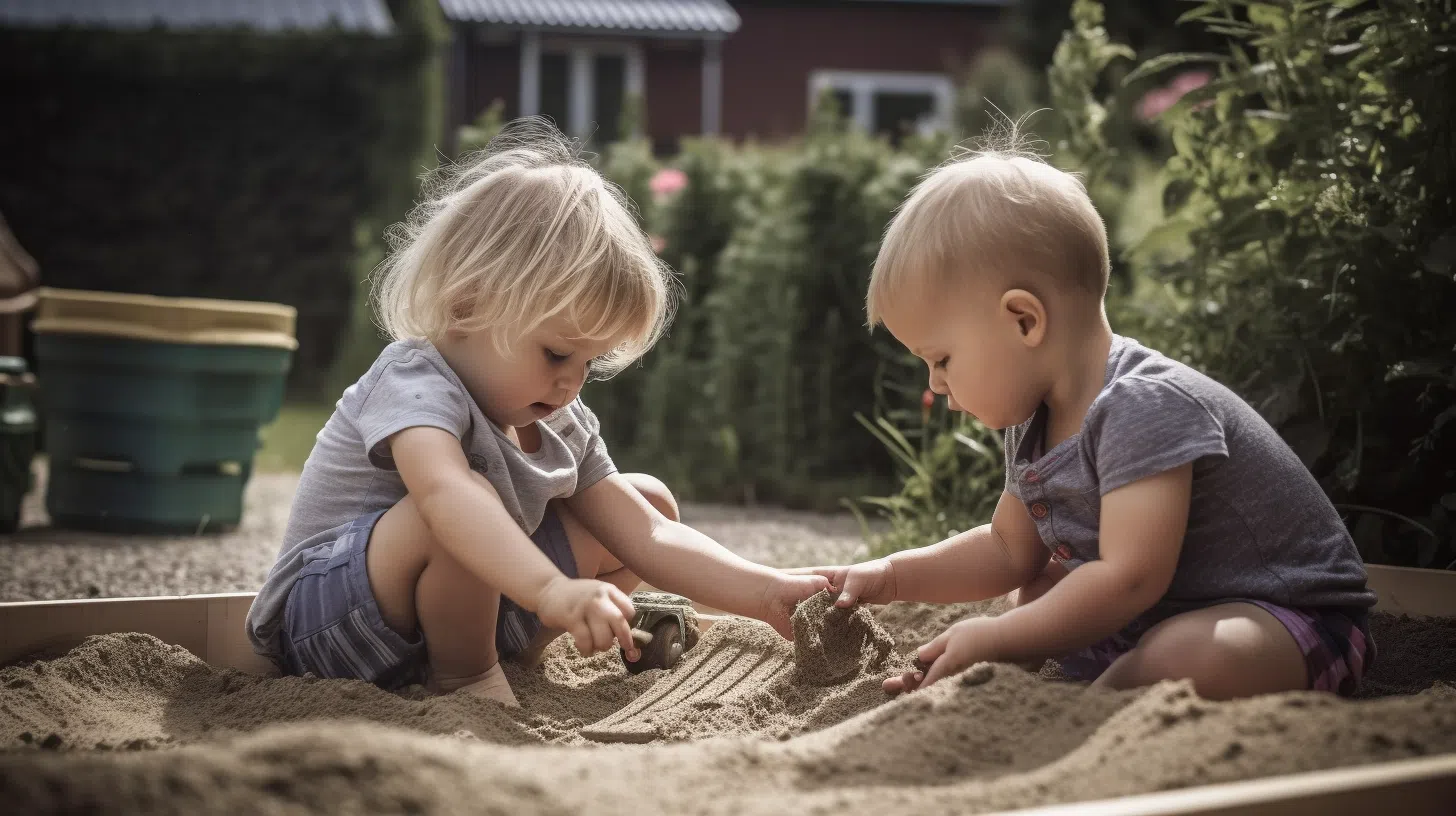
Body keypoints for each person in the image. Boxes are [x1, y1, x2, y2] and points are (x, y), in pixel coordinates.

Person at [246, 120, 827, 706]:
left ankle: (497, 655)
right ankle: (466, 675)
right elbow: (446, 494)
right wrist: (551, 589)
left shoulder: (554, 418)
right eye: (555, 352)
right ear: (466, 304)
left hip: (458, 613)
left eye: (590, 362)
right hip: (331, 625)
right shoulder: (414, 380)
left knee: (646, 500)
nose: (572, 381)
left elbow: (646, 534)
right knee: (454, 509)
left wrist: (765, 592)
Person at [806, 138, 1375, 701]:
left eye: (942, 359)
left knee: (1188, 655)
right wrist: (893, 575)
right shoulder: (1034, 421)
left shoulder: (1142, 405)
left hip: (1289, 622)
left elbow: (1131, 577)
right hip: (1166, 613)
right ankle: (1108, 679)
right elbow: (1009, 550)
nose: (935, 383)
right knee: (1033, 592)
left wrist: (996, 637)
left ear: (1024, 321)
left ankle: (1101, 698)